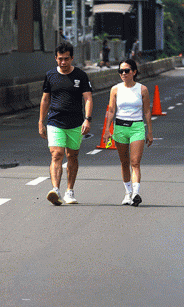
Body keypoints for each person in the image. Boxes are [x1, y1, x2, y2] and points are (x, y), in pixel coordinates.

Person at [38, 42, 93, 205]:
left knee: (72, 156)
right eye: (60, 59)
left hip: (75, 122)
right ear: (55, 58)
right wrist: (41, 121)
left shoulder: (81, 75)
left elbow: (88, 98)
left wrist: (87, 119)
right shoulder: (50, 75)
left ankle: (70, 191)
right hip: (55, 121)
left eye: (66, 59)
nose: (63, 62)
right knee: (56, 154)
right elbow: (45, 99)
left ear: (72, 58)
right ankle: (55, 189)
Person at [103, 59, 153, 206]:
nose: (123, 73)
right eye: (121, 71)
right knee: (124, 162)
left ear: (134, 72)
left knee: (135, 162)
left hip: (137, 127)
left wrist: (149, 132)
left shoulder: (142, 89)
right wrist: (107, 130)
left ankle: (136, 193)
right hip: (120, 127)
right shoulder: (115, 89)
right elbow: (111, 110)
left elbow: (147, 111)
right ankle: (128, 192)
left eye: (126, 70)